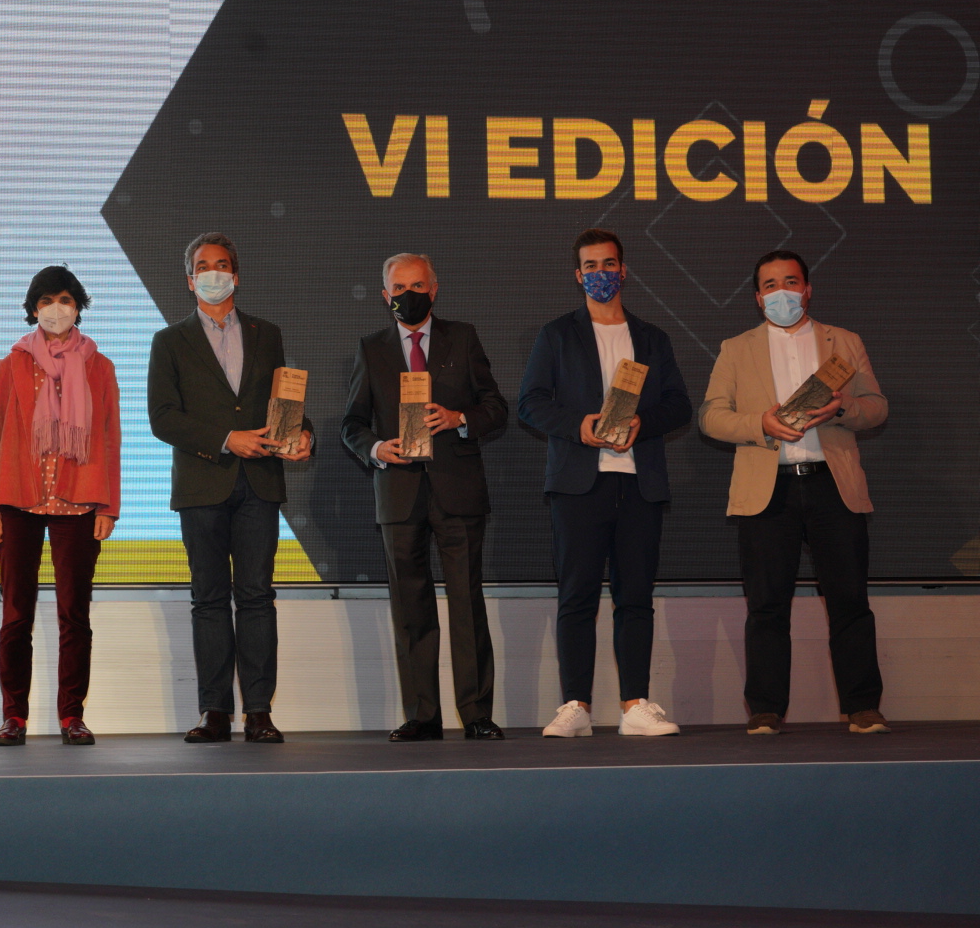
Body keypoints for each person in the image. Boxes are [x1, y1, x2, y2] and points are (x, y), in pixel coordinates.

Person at [699, 250, 890, 735]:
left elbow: (877, 407)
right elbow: (711, 416)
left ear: (807, 290)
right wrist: (759, 423)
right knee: (766, 604)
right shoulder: (735, 348)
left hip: (833, 485)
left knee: (849, 599)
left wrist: (843, 408)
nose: (781, 292)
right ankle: (765, 709)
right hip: (769, 490)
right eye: (770, 285)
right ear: (757, 297)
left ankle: (862, 707)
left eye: (790, 282)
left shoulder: (844, 342)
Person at [518, 229, 692, 739]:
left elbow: (679, 405)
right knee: (576, 597)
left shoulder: (652, 338)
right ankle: (576, 706)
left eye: (609, 264)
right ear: (578, 276)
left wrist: (644, 423)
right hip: (578, 484)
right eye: (590, 266)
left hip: (639, 484)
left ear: (624, 270)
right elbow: (531, 403)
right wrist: (579, 425)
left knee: (635, 597)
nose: (601, 273)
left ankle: (635, 705)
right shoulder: (556, 334)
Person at [147, 232, 312, 743]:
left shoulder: (268, 333)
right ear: (189, 279)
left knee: (258, 596)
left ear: (236, 275)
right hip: (202, 485)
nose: (213, 274)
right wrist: (226, 439)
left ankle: (259, 712)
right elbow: (163, 418)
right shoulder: (169, 341)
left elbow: (285, 403)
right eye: (203, 266)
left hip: (260, 484)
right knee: (210, 599)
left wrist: (303, 435)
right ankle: (214, 712)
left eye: (222, 265)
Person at [342, 252, 508, 741]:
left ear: (434, 290)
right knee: (409, 606)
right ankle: (422, 715)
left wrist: (460, 419)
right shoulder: (371, 348)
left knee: (466, 603)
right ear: (385, 295)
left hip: (458, 490)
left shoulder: (464, 337)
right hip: (398, 494)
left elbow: (495, 406)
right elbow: (352, 424)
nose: (408, 295)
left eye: (418, 286)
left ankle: (475, 713)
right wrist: (377, 449)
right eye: (399, 287)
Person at [0, 266, 121, 746]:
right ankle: (13, 716)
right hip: (18, 502)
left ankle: (71, 716)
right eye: (45, 301)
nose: (56, 309)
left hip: (79, 504)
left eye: (64, 299)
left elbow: (110, 439)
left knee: (74, 615)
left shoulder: (100, 366)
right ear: (33, 309)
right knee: (15, 614)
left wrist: (109, 506)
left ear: (78, 306)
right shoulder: (11, 364)